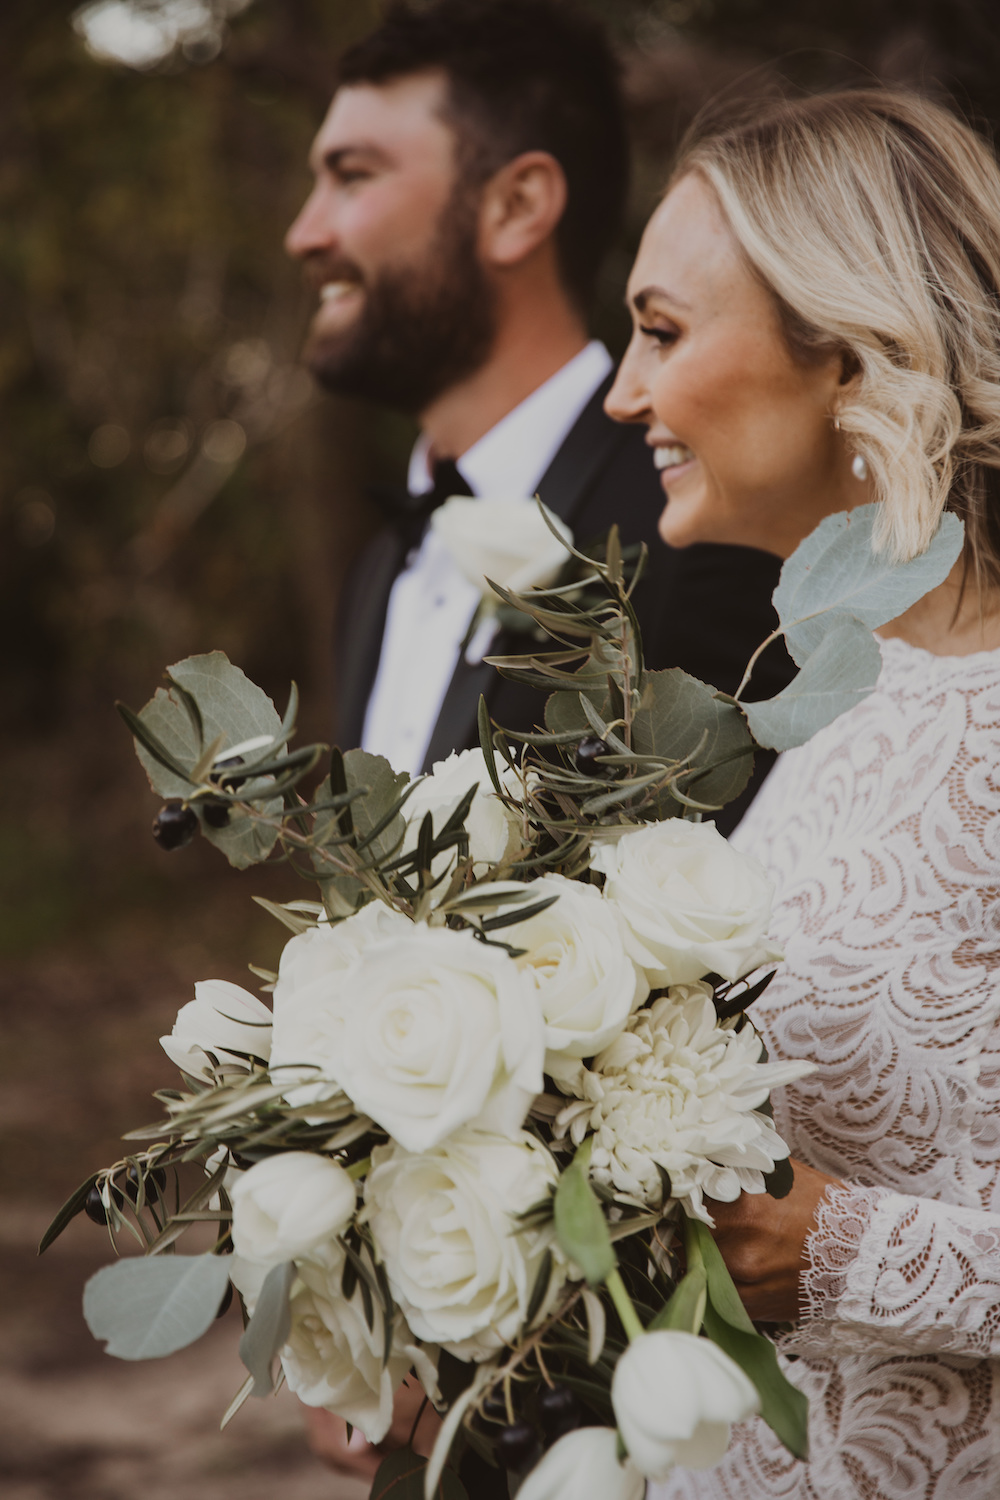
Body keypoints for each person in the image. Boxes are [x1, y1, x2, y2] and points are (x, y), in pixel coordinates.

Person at [605, 86, 1000, 1500]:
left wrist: (845, 1251)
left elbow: (836, 1228)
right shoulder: (835, 705)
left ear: (843, 346)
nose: (622, 392)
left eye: (659, 330)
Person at [284, 0, 793, 847]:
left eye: (353, 175)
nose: (306, 231)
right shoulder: (379, 568)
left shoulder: (703, 526)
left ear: (518, 204)